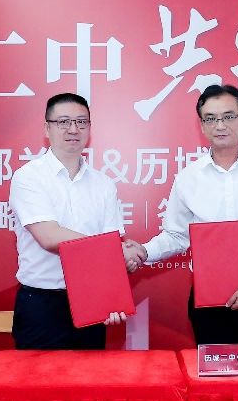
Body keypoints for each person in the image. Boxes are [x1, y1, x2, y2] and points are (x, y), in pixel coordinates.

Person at [126, 84, 238, 347]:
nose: (220, 125)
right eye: (210, 119)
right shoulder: (188, 178)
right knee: (217, 375)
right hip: (210, 308)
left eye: (228, 116)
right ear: (201, 125)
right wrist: (144, 251)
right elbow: (176, 235)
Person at [8, 92, 140, 350]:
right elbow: (49, 236)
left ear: (89, 128)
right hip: (42, 305)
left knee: (91, 375)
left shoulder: (104, 184)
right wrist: (116, 251)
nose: (73, 129)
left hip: (92, 301)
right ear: (46, 128)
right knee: (39, 377)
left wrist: (121, 265)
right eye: (63, 122)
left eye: (81, 122)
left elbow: (109, 246)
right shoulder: (28, 177)